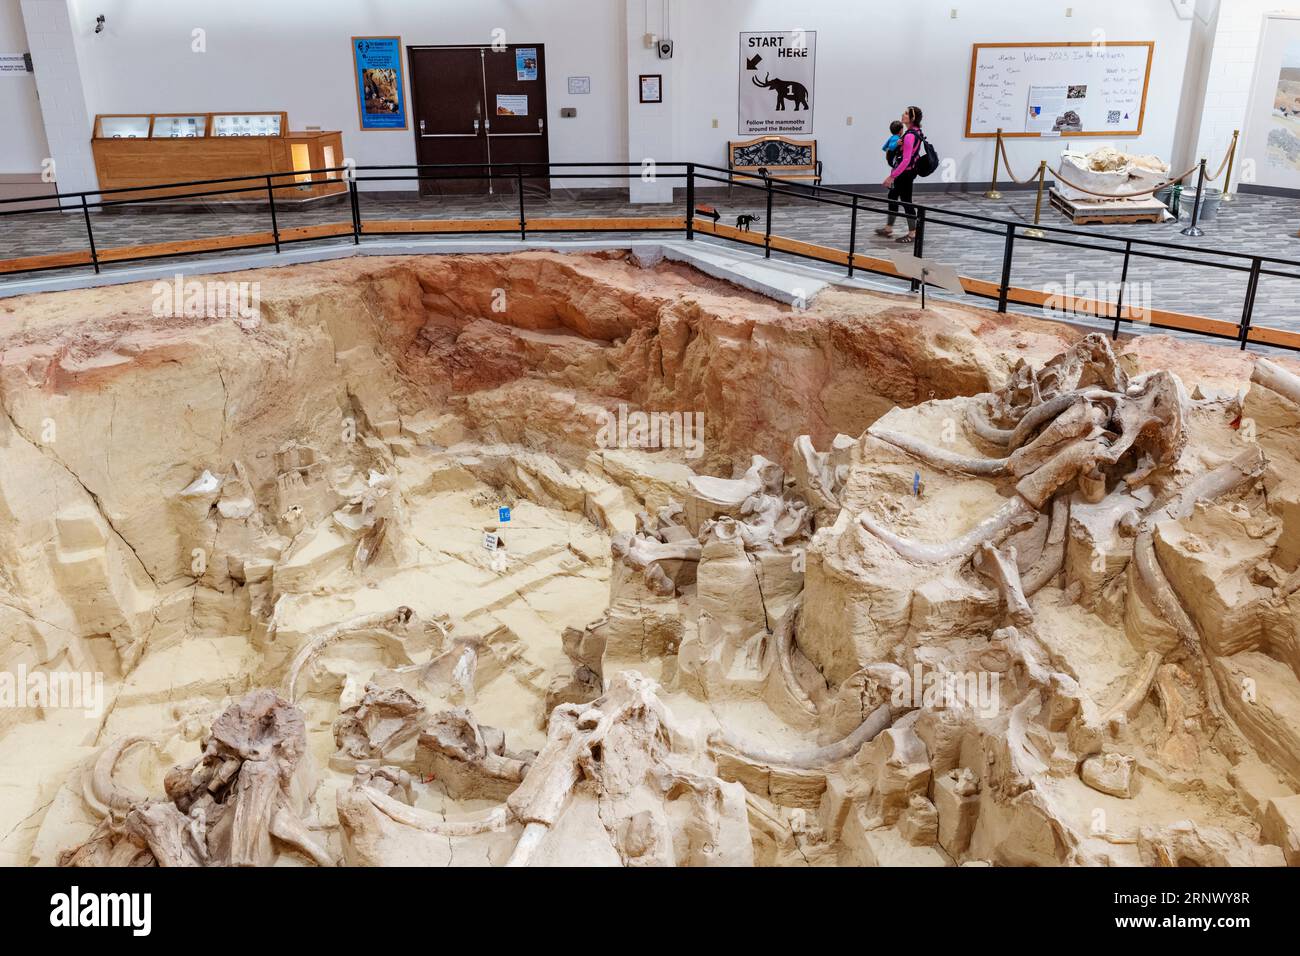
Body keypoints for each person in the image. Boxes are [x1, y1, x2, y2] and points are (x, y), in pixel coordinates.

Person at [877, 106, 924, 244]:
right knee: (892, 196)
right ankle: (888, 228)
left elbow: (906, 160)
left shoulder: (909, 135)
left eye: (906, 113)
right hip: (905, 172)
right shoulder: (914, 131)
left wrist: (892, 176)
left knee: (906, 201)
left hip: (906, 173)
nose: (902, 115)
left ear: (912, 118)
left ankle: (913, 233)